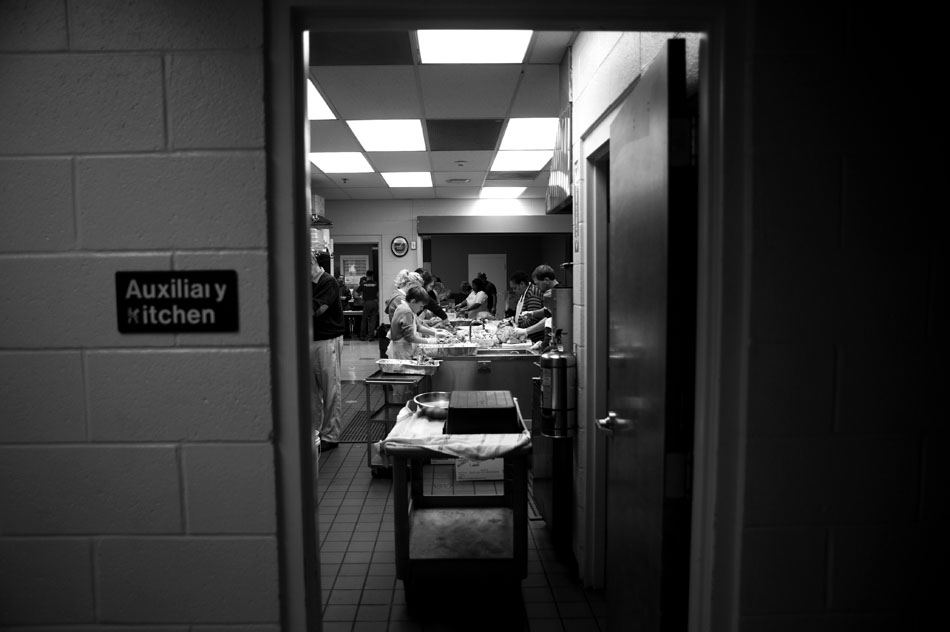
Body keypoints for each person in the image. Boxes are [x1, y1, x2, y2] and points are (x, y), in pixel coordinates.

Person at [310, 250, 345, 453]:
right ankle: (315, 434)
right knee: (311, 393)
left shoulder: (327, 282)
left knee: (330, 389)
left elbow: (316, 309)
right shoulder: (303, 282)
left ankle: (330, 436)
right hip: (308, 340)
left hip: (327, 341)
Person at [386, 285, 440, 359]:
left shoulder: (409, 308)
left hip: (404, 349)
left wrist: (435, 333)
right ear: (413, 301)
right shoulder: (406, 311)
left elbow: (418, 327)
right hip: (401, 352)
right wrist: (430, 341)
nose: (421, 309)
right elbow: (410, 338)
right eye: (421, 306)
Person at [358, 269, 379, 341]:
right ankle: (371, 336)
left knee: (364, 320)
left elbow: (356, 293)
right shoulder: (376, 284)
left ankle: (362, 336)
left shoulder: (363, 284)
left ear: (366, 275)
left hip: (367, 303)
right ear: (372, 275)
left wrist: (361, 297)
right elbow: (378, 294)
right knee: (373, 320)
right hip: (375, 302)